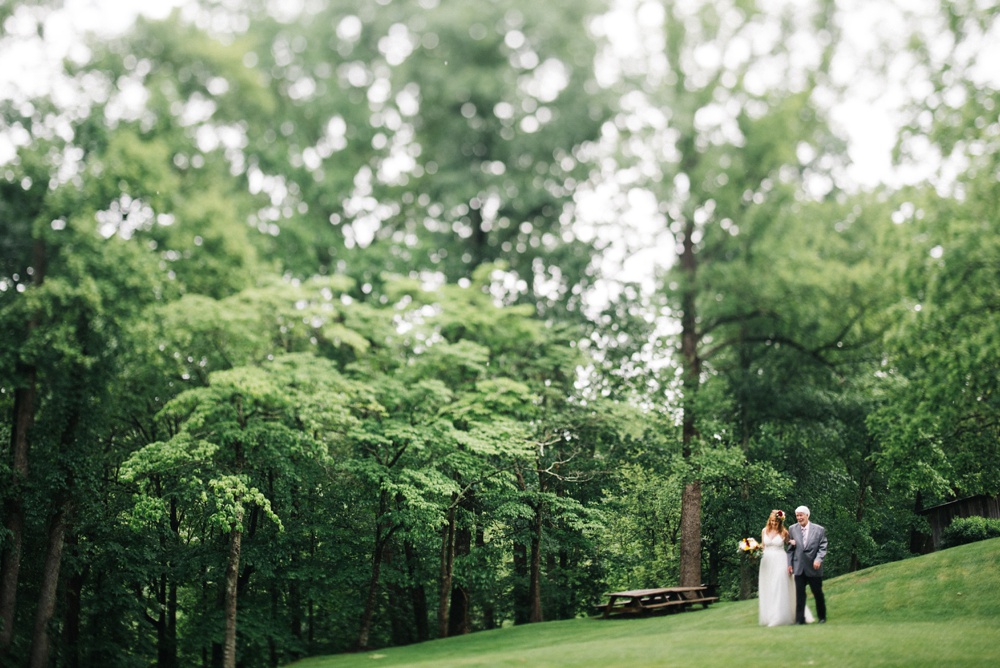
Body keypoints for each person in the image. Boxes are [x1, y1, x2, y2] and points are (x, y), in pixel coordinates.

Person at [758, 509, 810, 626]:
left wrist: (794, 543)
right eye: (771, 521)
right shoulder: (764, 531)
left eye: (775, 522)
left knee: (778, 586)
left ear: (780, 522)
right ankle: (769, 615)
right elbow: (763, 547)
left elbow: (789, 543)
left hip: (780, 560)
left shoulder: (784, 532)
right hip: (766, 562)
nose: (773, 523)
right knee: (769, 587)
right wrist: (752, 551)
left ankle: (778, 617)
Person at [787, 505, 827, 624]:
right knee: (799, 595)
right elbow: (790, 549)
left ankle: (822, 617)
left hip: (814, 567)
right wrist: (789, 564)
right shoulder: (792, 529)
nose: (799, 518)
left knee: (817, 593)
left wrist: (818, 559)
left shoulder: (819, 530)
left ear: (807, 515)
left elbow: (823, 547)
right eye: (797, 516)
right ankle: (800, 620)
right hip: (799, 567)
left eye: (801, 515)